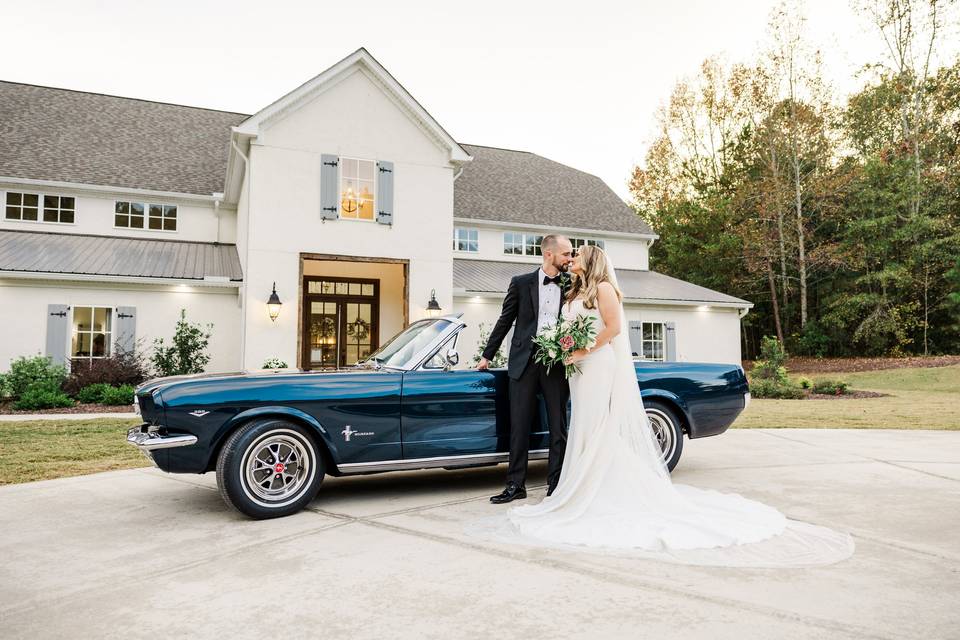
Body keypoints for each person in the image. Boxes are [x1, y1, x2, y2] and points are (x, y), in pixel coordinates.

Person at [473, 245, 855, 567]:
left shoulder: (604, 289)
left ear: (590, 262)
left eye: (577, 257)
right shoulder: (574, 291)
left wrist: (583, 349)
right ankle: (578, 484)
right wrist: (564, 349)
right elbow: (536, 322)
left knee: (593, 424)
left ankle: (592, 488)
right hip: (576, 368)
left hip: (595, 364)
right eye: (568, 256)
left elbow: (614, 330)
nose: (571, 260)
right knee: (584, 426)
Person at [479, 234, 575, 504]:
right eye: (566, 254)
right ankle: (515, 485)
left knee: (559, 426)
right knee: (519, 426)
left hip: (556, 363)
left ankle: (555, 486)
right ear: (549, 254)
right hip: (523, 362)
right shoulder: (520, 283)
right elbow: (505, 319)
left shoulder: (572, 284)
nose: (570, 259)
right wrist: (487, 354)